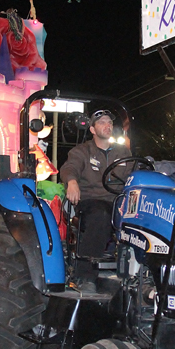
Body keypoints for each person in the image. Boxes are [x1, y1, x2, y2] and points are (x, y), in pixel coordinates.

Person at [59, 110, 131, 291]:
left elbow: (135, 172)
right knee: (101, 214)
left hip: (119, 202)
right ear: (92, 129)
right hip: (92, 201)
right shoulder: (82, 151)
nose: (108, 126)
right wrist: (72, 182)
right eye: (102, 123)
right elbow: (70, 168)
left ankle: (144, 276)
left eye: (110, 123)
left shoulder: (123, 152)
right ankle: (84, 275)